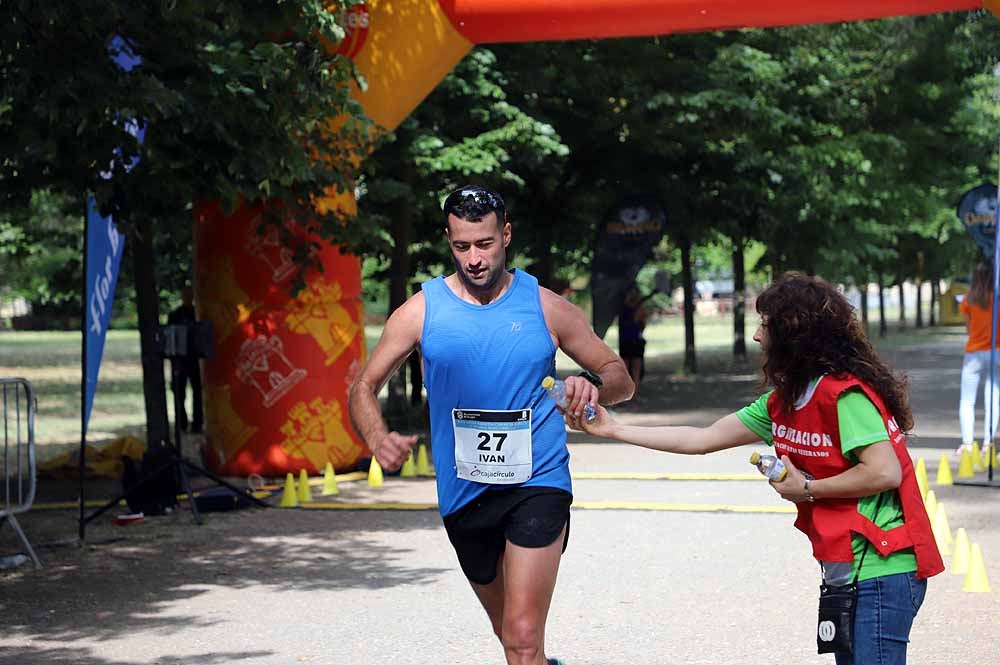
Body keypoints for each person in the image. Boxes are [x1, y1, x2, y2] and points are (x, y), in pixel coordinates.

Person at [567, 273, 942, 665]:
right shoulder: (783, 402)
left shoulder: (843, 395)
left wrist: (808, 489)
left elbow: (885, 472)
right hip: (847, 569)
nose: (757, 337)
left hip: (883, 569)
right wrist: (614, 428)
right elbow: (702, 439)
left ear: (794, 335)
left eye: (766, 325)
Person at [348, 185, 634, 665]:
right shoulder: (422, 310)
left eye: (484, 244)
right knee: (512, 640)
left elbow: (619, 377)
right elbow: (363, 386)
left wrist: (591, 385)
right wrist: (378, 439)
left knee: (523, 637)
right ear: (448, 240)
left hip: (537, 482)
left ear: (505, 235)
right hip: (464, 494)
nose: (474, 258)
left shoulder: (545, 305)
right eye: (461, 246)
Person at [958, 262, 999, 455]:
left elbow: (968, 329)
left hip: (974, 352)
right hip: (997, 351)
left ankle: (967, 443)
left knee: (967, 400)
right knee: (993, 398)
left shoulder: (968, 300)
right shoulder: (997, 299)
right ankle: (988, 443)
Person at [167, 286, 203, 433]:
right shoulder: (174, 315)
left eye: (190, 295)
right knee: (179, 393)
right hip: (180, 361)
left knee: (197, 392)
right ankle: (181, 423)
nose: (188, 298)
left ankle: (197, 424)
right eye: (185, 295)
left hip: (196, 360)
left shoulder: (198, 314)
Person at [618, 284, 648, 398]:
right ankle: (631, 396)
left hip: (629, 342)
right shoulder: (636, 309)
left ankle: (630, 396)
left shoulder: (623, 309)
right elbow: (642, 325)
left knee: (630, 370)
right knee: (633, 371)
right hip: (633, 342)